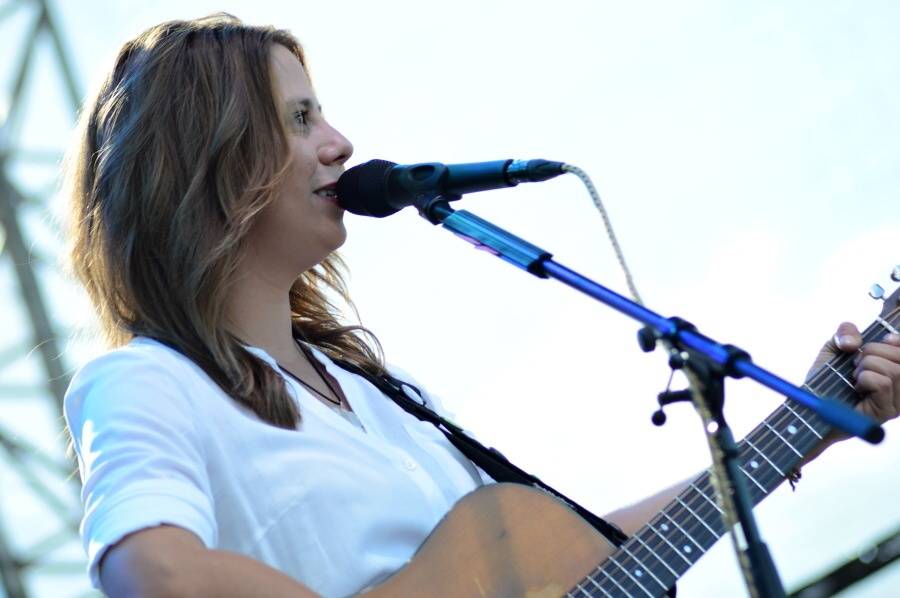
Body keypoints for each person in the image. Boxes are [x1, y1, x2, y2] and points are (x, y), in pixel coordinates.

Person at [62, 14, 900, 598]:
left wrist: (810, 419)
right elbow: (152, 569)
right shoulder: (145, 385)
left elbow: (580, 560)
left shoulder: (385, 393)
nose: (341, 144)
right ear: (211, 160)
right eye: (300, 117)